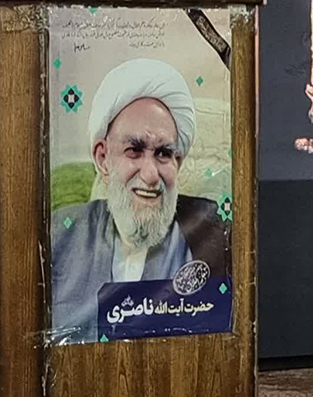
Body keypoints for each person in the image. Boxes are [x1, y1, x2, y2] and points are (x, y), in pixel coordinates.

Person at [50, 58, 229, 343]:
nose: (150, 175)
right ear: (103, 158)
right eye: (134, 150)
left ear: (178, 163)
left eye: (164, 154)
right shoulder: (58, 235)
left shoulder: (215, 237)